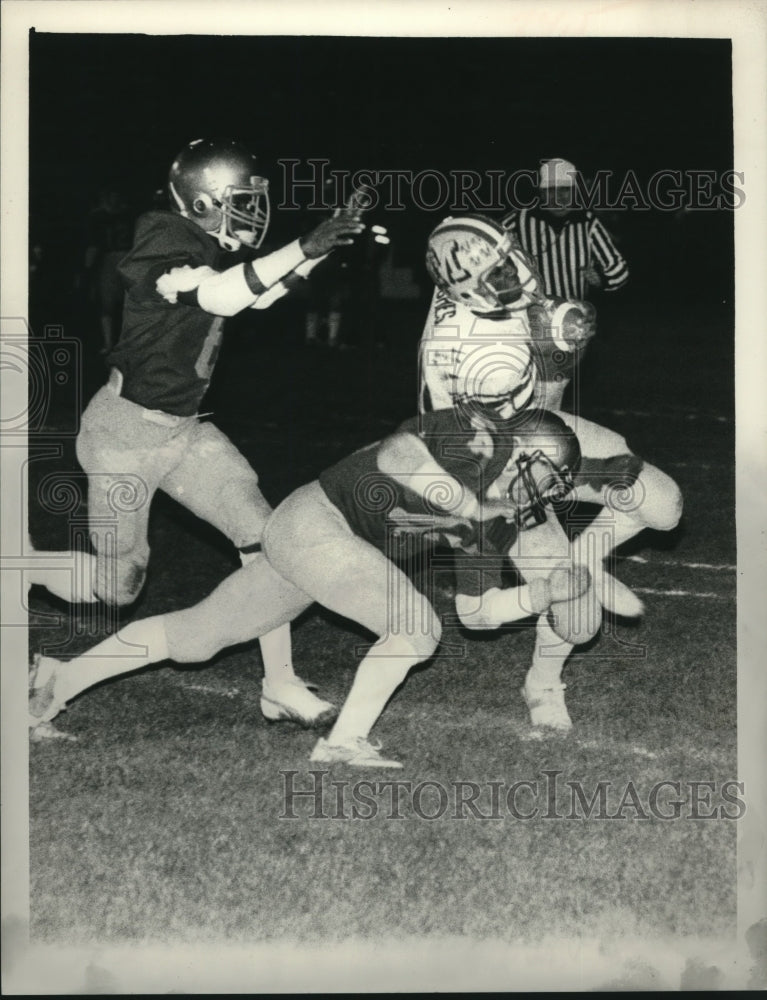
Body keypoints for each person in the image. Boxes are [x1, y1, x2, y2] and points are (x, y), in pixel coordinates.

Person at [29, 405, 593, 765]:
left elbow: (476, 613)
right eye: (548, 478)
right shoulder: (481, 436)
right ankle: (344, 744)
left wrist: (541, 596)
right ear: (526, 453)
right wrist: (467, 505)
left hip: (323, 546)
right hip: (319, 521)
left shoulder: (501, 517)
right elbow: (398, 453)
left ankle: (55, 683)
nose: (545, 496)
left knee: (197, 637)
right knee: (415, 627)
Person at [48, 138, 367, 729]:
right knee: (117, 587)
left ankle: (280, 683)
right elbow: (222, 293)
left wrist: (317, 252)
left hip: (185, 432)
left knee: (269, 542)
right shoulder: (164, 235)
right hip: (125, 435)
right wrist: (303, 245)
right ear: (201, 200)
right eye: (241, 200)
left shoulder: (204, 245)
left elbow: (256, 297)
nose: (253, 212)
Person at [418, 214, 681, 729]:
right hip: (489, 466)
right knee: (580, 621)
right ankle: (542, 681)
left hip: (528, 424)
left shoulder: (465, 285)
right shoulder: (482, 356)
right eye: (501, 272)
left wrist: (557, 323)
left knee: (664, 505)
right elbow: (531, 420)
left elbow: (456, 235)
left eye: (509, 258)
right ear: (469, 288)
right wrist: (561, 347)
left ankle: (584, 557)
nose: (518, 271)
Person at [502, 158, 629, 409]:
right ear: (541, 193)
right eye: (551, 191)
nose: (559, 198)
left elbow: (619, 269)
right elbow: (487, 254)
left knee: (561, 393)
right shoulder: (517, 221)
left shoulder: (586, 222)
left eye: (565, 191)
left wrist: (602, 278)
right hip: (527, 321)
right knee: (524, 388)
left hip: (571, 323)